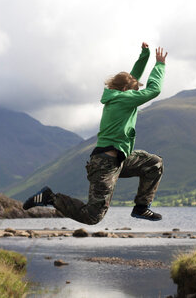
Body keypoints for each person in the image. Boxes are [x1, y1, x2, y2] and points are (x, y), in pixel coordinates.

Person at [23, 42, 167, 225]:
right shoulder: (123, 99)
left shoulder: (118, 95)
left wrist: (144, 56)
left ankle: (141, 208)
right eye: (135, 90)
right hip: (105, 164)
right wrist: (160, 64)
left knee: (154, 163)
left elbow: (132, 78)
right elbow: (154, 90)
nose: (137, 93)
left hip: (121, 159)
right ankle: (51, 198)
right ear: (126, 91)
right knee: (93, 216)